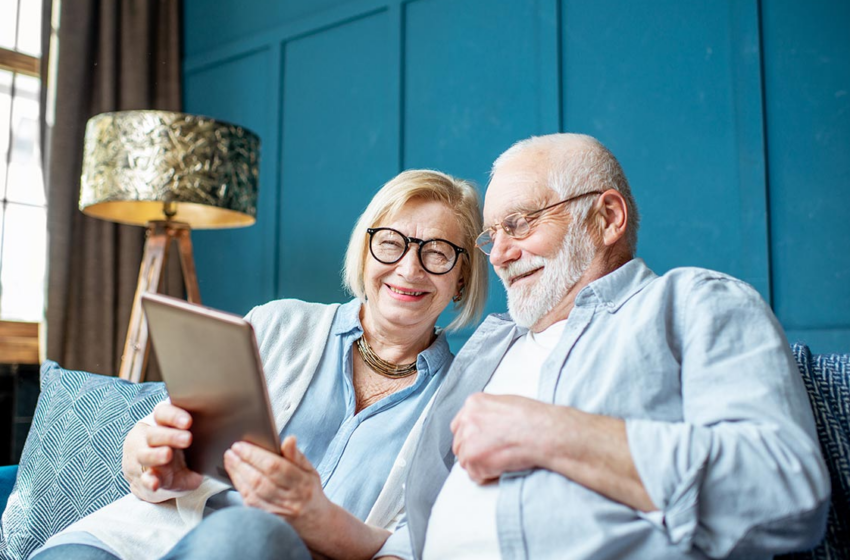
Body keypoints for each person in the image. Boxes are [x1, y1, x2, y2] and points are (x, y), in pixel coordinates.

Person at [376, 134, 831, 560]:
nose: (497, 255)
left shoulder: (693, 303)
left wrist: (550, 433)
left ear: (607, 218)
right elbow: (423, 520)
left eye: (518, 225)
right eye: (493, 236)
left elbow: (784, 489)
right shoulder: (490, 346)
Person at [32, 169, 488, 560]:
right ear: (365, 251)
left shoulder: (464, 401)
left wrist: (318, 519)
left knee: (254, 533)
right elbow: (151, 446)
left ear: (462, 277)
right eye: (391, 243)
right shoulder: (276, 324)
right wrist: (150, 462)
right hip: (140, 539)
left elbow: (425, 542)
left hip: (251, 547)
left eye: (437, 252)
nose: (409, 268)